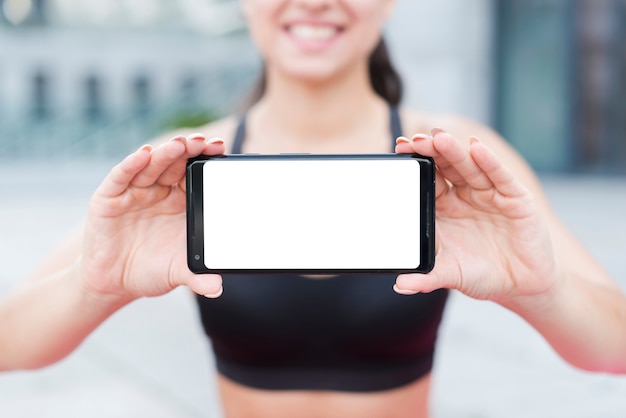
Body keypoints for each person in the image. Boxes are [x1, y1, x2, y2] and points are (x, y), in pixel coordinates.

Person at [1, 1, 626, 417]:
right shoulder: (187, 166)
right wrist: (96, 283)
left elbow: (613, 348)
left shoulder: (464, 161)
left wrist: (542, 291)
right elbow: (11, 345)